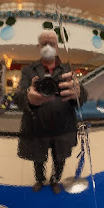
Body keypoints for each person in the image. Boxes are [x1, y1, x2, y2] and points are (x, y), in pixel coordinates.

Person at [13, 30, 87, 194]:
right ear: (38, 47)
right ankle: (40, 180)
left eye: (51, 44)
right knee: (38, 159)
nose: (48, 47)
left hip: (63, 127)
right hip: (37, 128)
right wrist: (28, 97)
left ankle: (55, 180)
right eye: (44, 44)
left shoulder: (68, 69)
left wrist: (78, 92)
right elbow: (17, 97)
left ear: (57, 47)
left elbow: (82, 96)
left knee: (60, 159)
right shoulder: (28, 70)